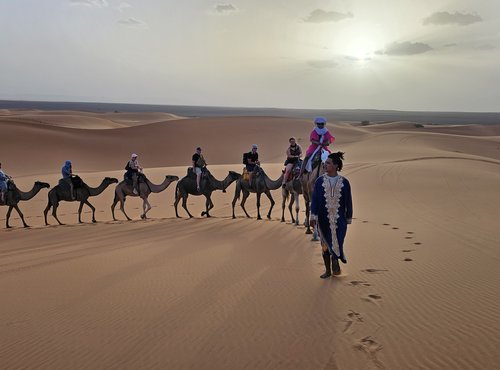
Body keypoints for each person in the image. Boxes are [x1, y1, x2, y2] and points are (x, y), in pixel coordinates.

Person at [310, 152, 353, 279]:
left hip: (340, 221)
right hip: (323, 220)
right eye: (325, 162)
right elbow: (315, 200)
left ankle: (336, 260)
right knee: (324, 246)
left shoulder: (345, 182)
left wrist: (348, 217)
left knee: (338, 242)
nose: (325, 165)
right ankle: (328, 270)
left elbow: (348, 201)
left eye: (328, 163)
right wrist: (313, 216)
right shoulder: (319, 182)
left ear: (335, 165)